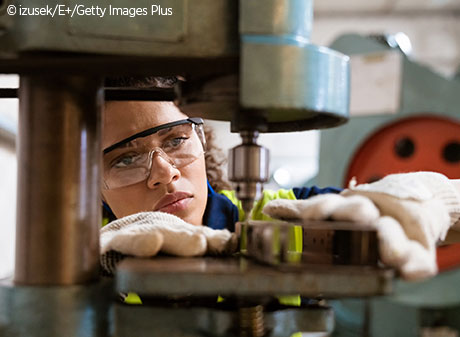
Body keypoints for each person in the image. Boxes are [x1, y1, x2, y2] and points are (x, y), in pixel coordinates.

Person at [100, 76, 460, 282]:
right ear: (89, 183)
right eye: (125, 159)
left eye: (176, 140)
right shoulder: (72, 259)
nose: (164, 173)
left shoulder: (287, 216)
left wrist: (429, 198)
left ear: (202, 138)